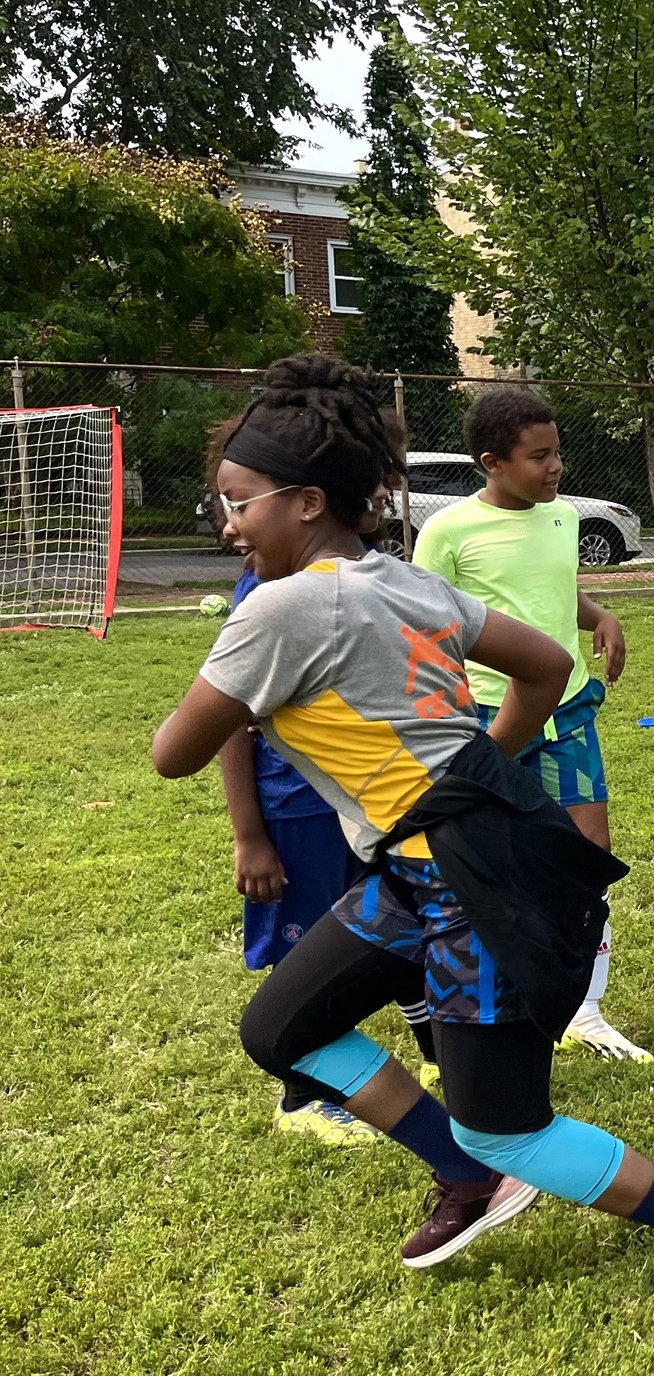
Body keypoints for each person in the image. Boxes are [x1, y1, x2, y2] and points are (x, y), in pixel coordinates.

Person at [152, 355, 654, 1294]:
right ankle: (464, 1171)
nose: (230, 525)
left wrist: (457, 775)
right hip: (427, 864)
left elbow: (173, 750)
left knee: (509, 1121)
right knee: (282, 1029)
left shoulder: (278, 608)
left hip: (475, 879)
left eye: (240, 503)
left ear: (309, 501)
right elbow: (542, 662)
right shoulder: (397, 579)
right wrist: (489, 760)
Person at [413, 387, 644, 1060]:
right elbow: (428, 627)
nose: (555, 468)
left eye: (558, 452)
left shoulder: (562, 519)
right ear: (492, 461)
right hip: (487, 717)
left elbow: (552, 591)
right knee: (487, 861)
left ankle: (586, 1009)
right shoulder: (448, 531)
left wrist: (598, 615)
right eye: (538, 457)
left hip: (566, 709)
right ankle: (493, 999)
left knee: (588, 852)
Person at [208, 421, 380, 1145]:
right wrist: (251, 835)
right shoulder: (264, 597)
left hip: (364, 805)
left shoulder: (364, 578)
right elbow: (221, 723)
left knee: (368, 935)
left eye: (239, 504)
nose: (228, 525)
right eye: (225, 506)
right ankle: (303, 1098)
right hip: (296, 809)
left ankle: (395, 1066)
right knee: (305, 948)